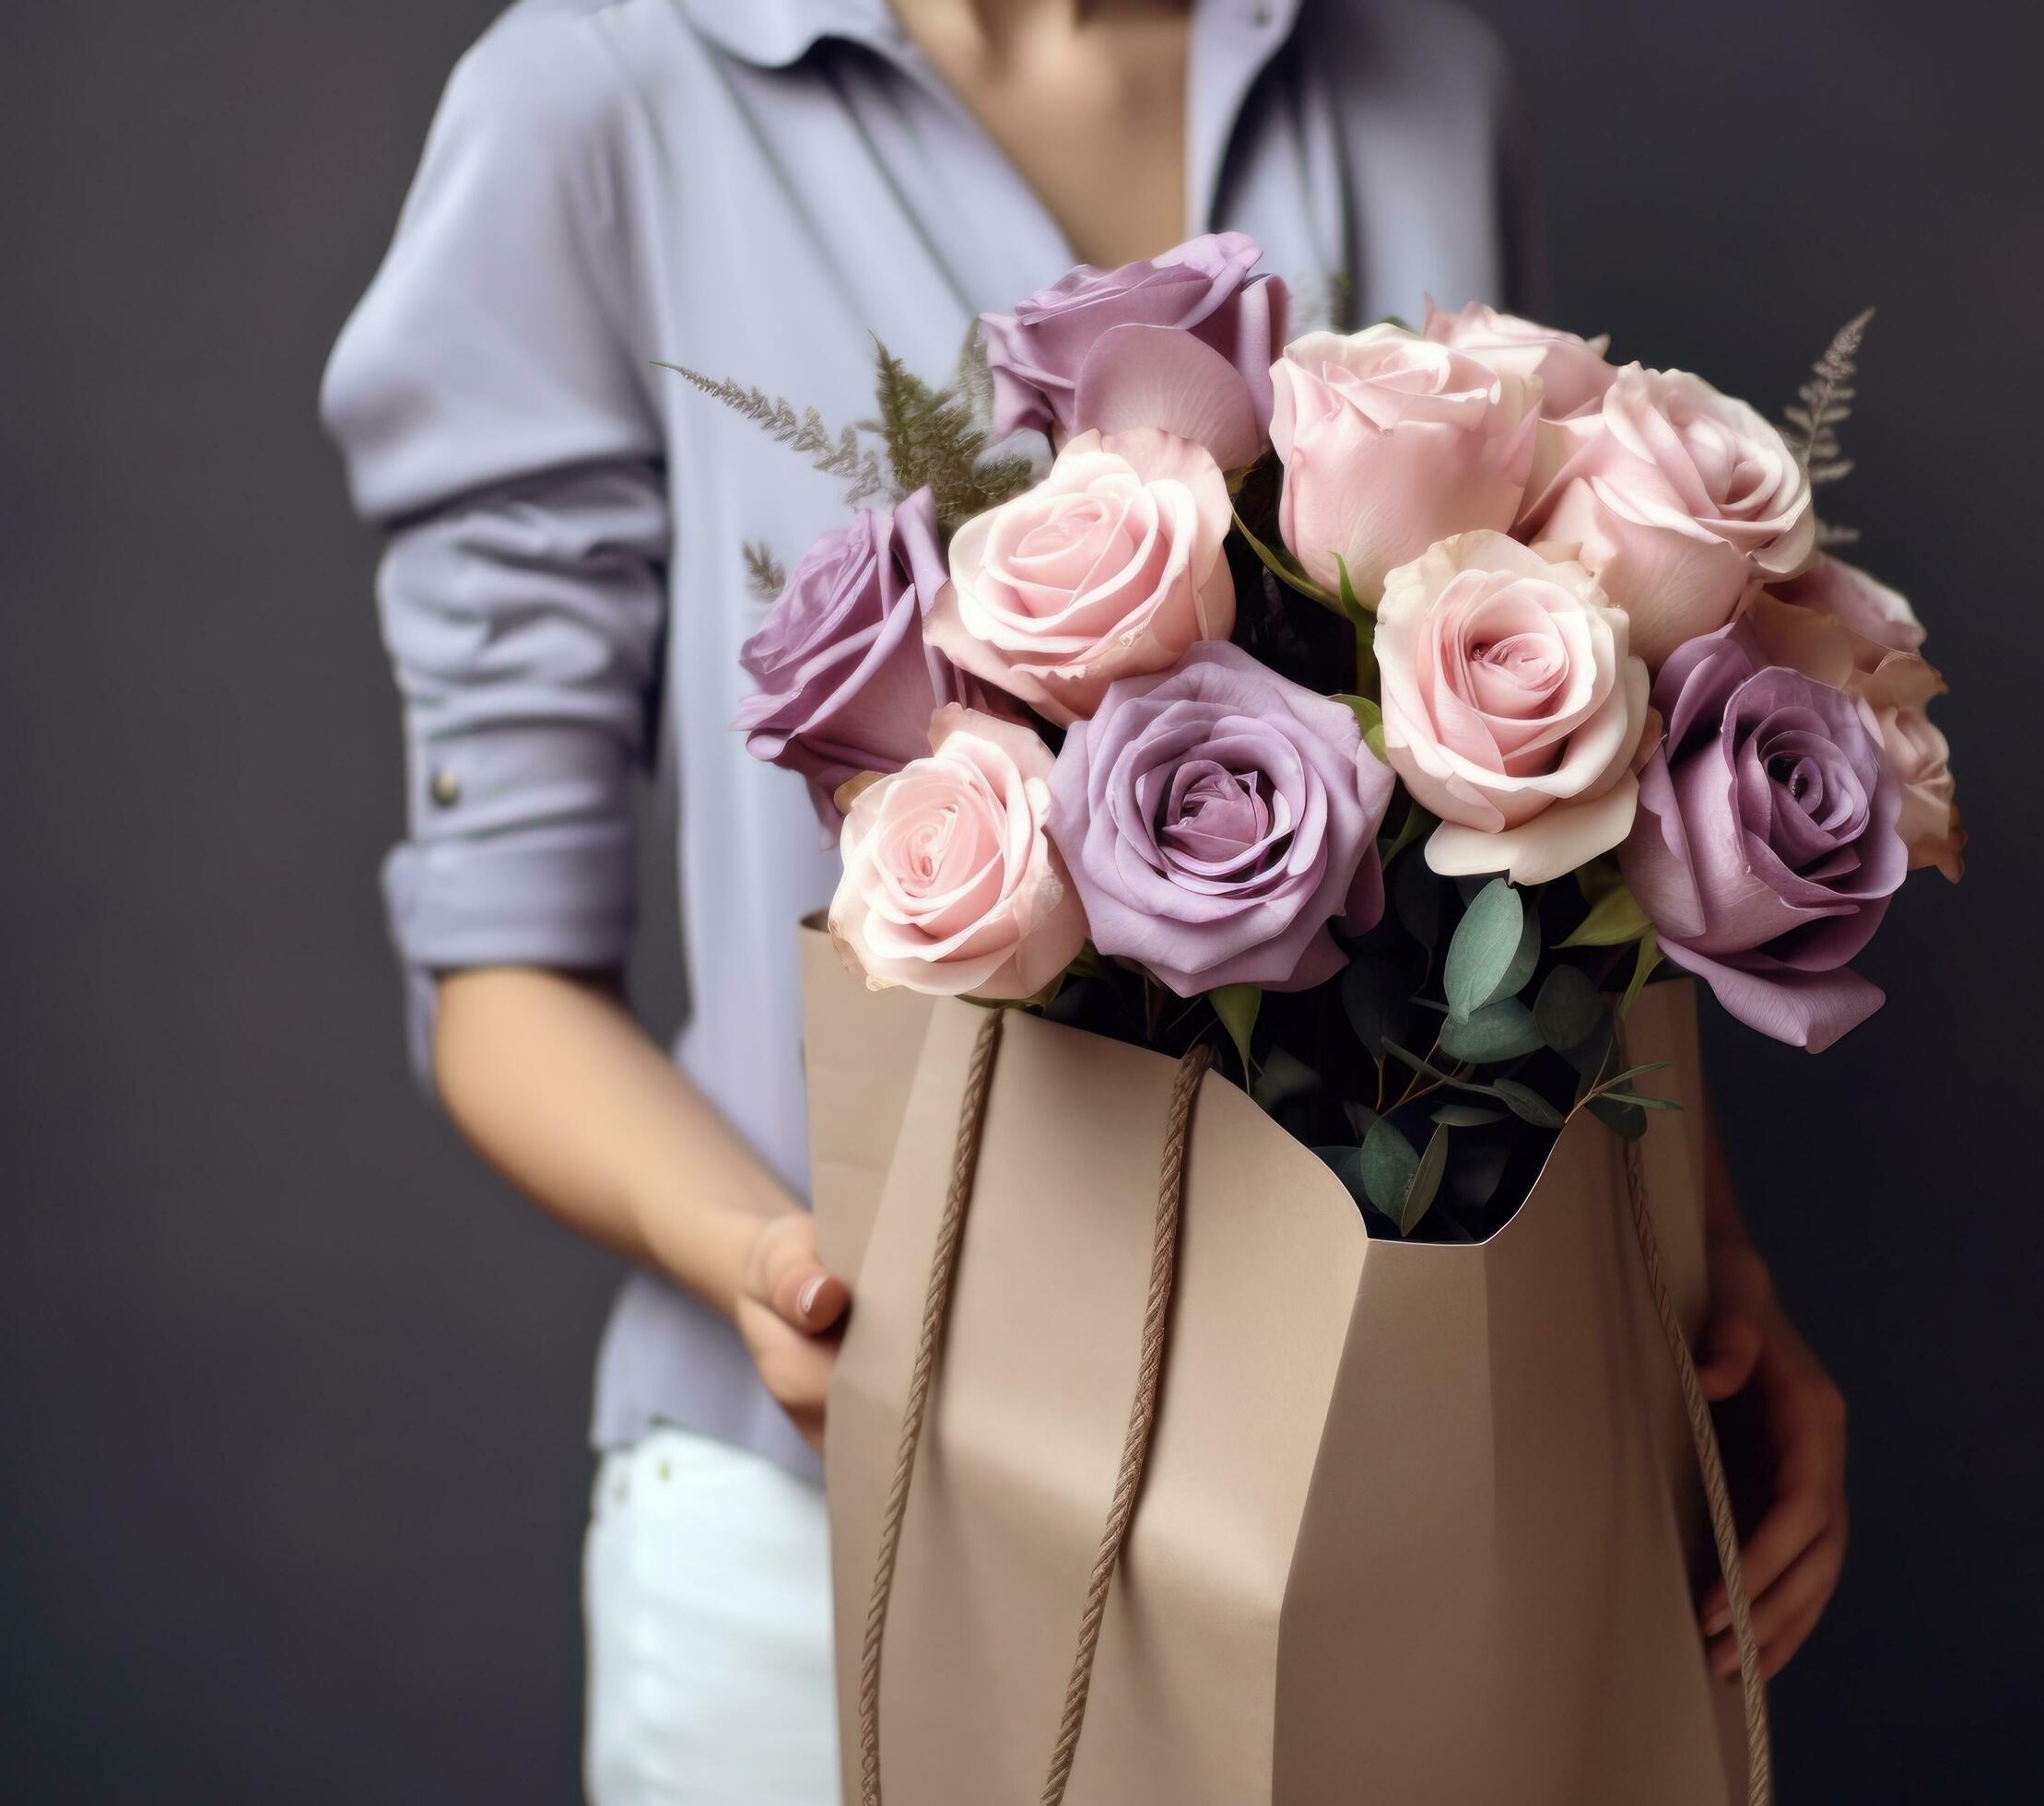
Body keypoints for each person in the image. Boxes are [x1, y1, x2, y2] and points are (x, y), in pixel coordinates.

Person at [322, 0, 1848, 1796]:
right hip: (851, 1534)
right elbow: (500, 968)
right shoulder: (597, 97)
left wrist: (1706, 1269)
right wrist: (780, 1267)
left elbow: (1583, 772)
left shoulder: (1423, 75)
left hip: (1407, 1502)